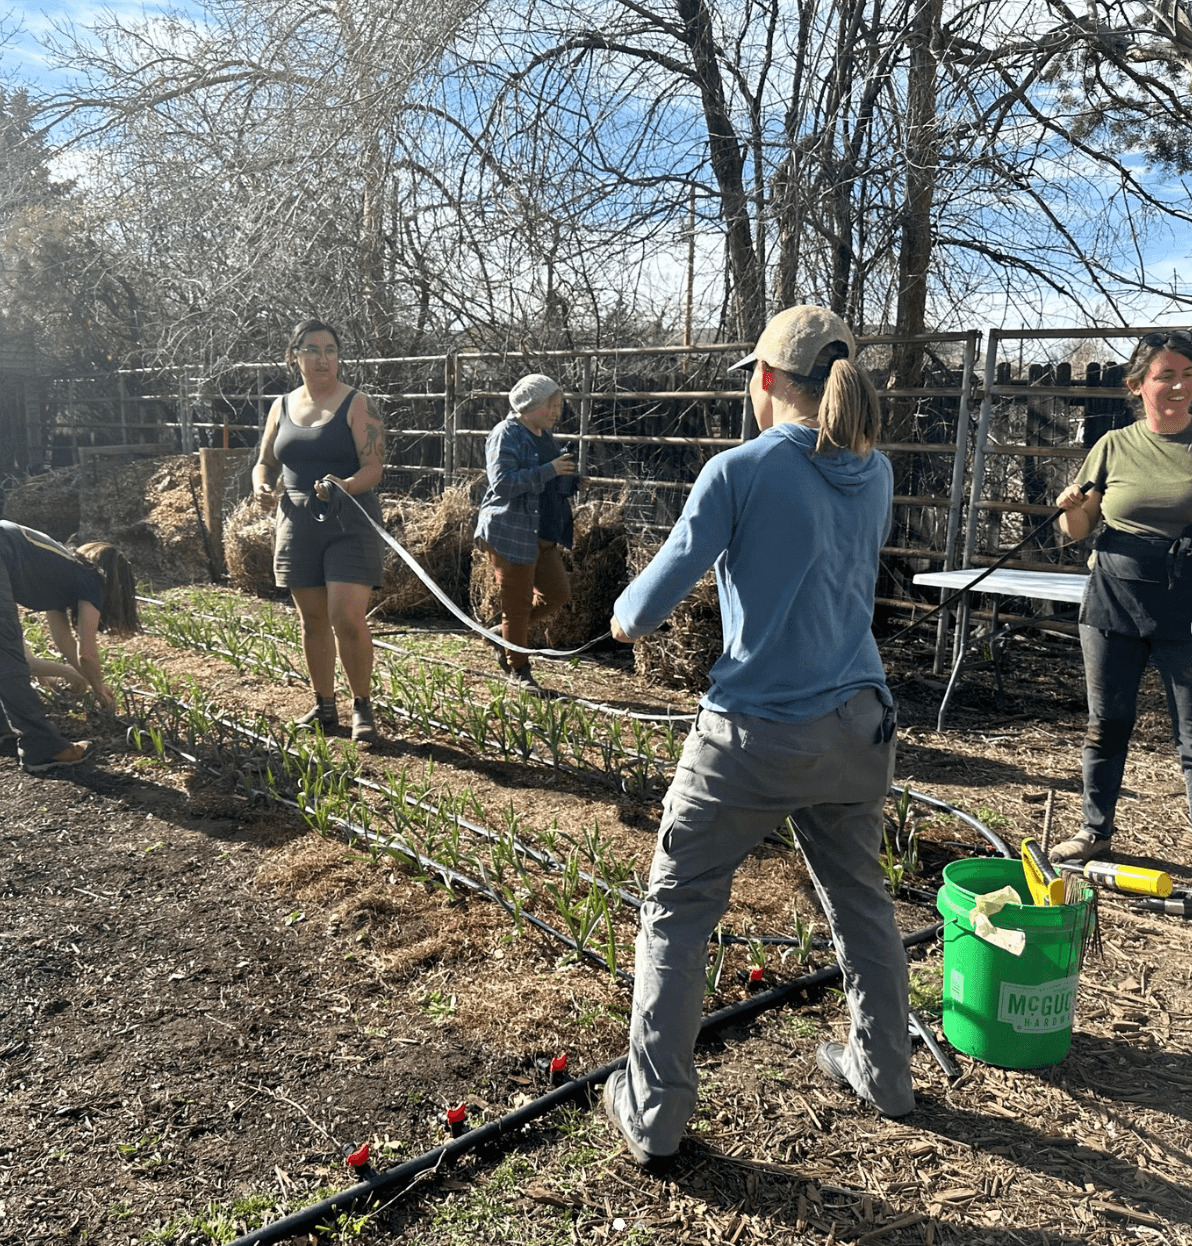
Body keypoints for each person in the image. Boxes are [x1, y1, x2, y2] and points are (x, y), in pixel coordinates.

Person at [601, 305, 912, 1169]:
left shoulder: (737, 471)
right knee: (860, 901)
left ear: (767, 381)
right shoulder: (874, 469)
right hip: (860, 726)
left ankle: (655, 1113)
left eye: (751, 376)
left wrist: (622, 621)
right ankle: (887, 1073)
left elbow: (645, 604)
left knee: (679, 905)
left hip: (754, 737)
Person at [1049, 330, 1192, 863]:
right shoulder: (1113, 446)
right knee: (1106, 723)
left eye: (1188, 374)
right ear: (1138, 386)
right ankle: (1094, 831)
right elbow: (1079, 529)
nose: (1180, 385)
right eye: (1167, 376)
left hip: (1186, 602)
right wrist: (1070, 504)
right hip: (1112, 601)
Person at [252, 319, 386, 744]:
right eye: (312, 350)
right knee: (312, 620)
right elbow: (265, 462)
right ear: (295, 357)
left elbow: (374, 467)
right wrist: (259, 484)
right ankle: (324, 706)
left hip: (350, 522)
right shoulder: (281, 406)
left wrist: (344, 486)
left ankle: (362, 705)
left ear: (339, 356)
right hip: (296, 523)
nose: (323, 358)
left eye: (330, 349)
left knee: (345, 616)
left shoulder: (358, 404)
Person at [0, 526, 138, 773]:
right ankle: (43, 748)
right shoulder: (93, 580)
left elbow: (64, 640)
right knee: (8, 655)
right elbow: (87, 651)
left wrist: (85, 677)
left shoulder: (60, 571)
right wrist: (98, 689)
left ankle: (3, 727)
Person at [473, 373, 577, 692]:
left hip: (541, 534)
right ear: (531, 405)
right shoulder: (506, 434)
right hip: (510, 531)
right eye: (552, 405)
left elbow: (548, 479)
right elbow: (502, 484)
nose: (556, 411)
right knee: (516, 606)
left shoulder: (544, 434)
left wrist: (568, 479)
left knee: (558, 593)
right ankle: (518, 669)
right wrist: (550, 471)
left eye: (559, 405)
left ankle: (504, 634)